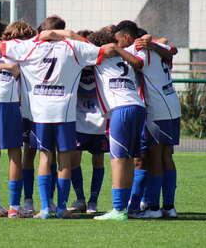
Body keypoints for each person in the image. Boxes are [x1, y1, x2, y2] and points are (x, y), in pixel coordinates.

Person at [0, 24, 107, 219]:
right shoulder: (72, 47)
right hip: (65, 113)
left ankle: (45, 208)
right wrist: (69, 34)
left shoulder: (30, 46)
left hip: (39, 114)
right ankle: (61, 209)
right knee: (64, 159)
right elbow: (101, 51)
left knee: (45, 157)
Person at [114, 21, 181, 219]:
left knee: (154, 157)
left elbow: (137, 63)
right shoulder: (157, 48)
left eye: (118, 40)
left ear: (127, 37)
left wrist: (117, 49)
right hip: (172, 104)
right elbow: (172, 49)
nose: (117, 43)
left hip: (157, 108)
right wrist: (153, 42)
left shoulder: (139, 49)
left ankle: (153, 208)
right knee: (166, 156)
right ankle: (168, 207)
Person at [0, 20, 36, 218]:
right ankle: (14, 207)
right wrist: (12, 67)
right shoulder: (22, 52)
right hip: (7, 103)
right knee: (14, 153)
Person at [88, 28, 146, 221]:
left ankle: (118, 209)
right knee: (128, 159)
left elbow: (75, 40)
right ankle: (126, 207)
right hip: (137, 107)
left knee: (118, 159)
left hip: (121, 109)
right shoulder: (127, 55)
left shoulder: (100, 56)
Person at [22, 15, 66, 214]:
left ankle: (38, 203)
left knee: (40, 156)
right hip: (56, 110)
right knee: (54, 156)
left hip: (33, 110)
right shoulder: (68, 48)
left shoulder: (30, 46)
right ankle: (51, 204)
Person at [68, 29, 110, 214]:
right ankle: (80, 199)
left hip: (100, 122)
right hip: (78, 121)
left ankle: (93, 201)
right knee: (73, 161)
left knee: (98, 161)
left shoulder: (102, 63)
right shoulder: (75, 64)